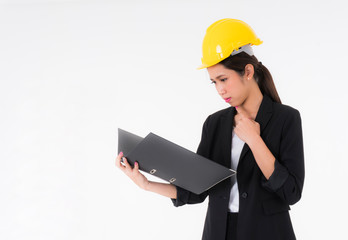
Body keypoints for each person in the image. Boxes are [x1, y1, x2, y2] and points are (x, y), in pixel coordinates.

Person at [115, 18, 305, 240]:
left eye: (224, 79)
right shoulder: (215, 124)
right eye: (214, 82)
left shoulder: (286, 119)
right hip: (219, 232)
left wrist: (254, 140)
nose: (220, 90)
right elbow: (198, 189)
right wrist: (146, 184)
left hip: (268, 232)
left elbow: (291, 192)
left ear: (248, 71)